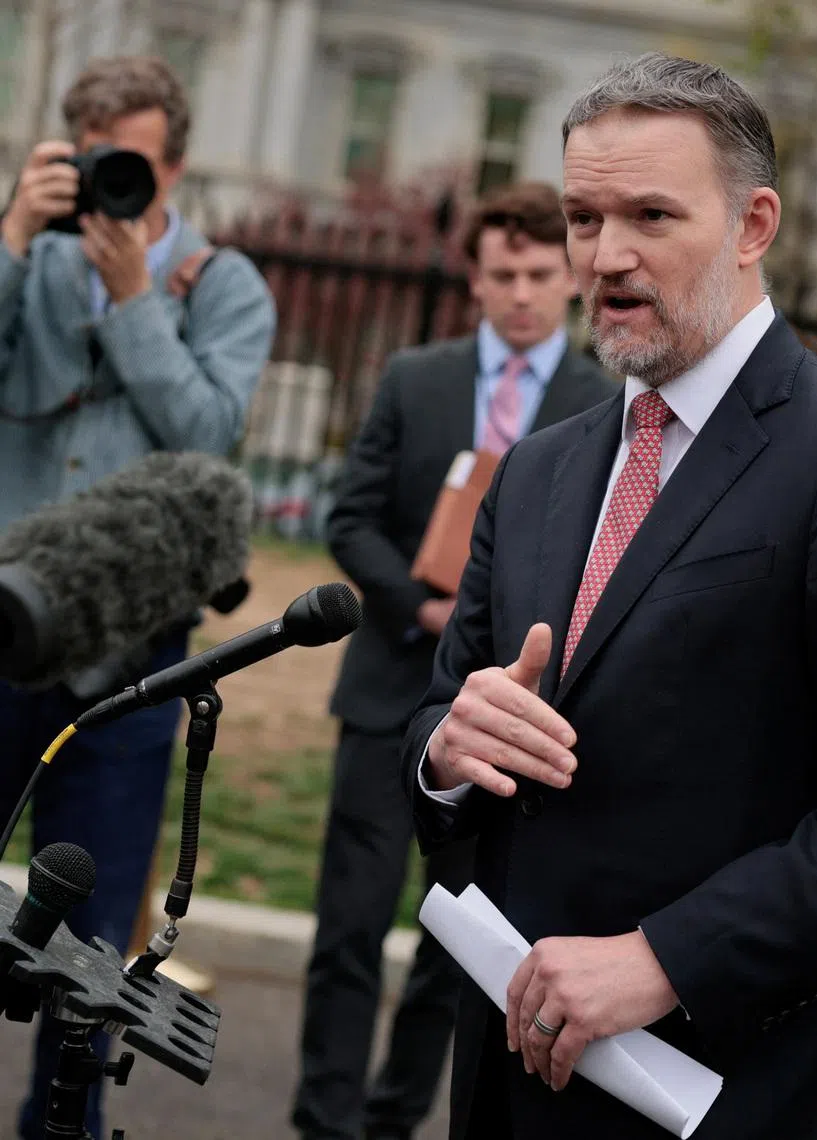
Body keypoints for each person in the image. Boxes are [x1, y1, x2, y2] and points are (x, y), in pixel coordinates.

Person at [403, 53, 817, 1140]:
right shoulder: (537, 469)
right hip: (514, 1079)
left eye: (650, 214)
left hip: (737, 1092)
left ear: (752, 223)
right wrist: (446, 754)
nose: (608, 256)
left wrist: (668, 959)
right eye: (585, 218)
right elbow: (444, 721)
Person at [293, 181, 615, 1140]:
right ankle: (326, 1120)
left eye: (539, 273)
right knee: (349, 926)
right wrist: (423, 606)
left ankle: (395, 1121)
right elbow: (347, 517)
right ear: (473, 280)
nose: (521, 292)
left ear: (568, 279)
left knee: (459, 945)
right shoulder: (414, 378)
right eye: (501, 274)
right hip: (391, 686)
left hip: (509, 714)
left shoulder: (602, 403)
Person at [0, 56, 275, 1140]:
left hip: (133, 655)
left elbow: (210, 436)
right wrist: (15, 232)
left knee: (91, 940)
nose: (121, 182)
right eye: (97, 155)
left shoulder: (225, 284)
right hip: (3, 618)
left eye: (138, 161)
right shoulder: (30, 257)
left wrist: (131, 304)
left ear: (176, 162)